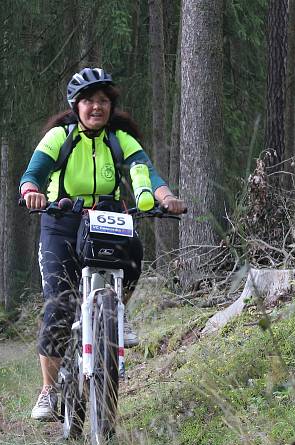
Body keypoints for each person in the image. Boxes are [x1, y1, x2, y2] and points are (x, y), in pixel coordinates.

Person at [19, 67, 187, 421]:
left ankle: (116, 313)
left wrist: (166, 196)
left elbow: (145, 170)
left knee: (135, 253)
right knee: (60, 305)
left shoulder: (118, 139)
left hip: (105, 215)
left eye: (104, 101)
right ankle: (49, 389)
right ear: (76, 105)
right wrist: (32, 191)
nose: (98, 106)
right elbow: (33, 173)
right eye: (90, 101)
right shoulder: (58, 137)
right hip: (61, 219)